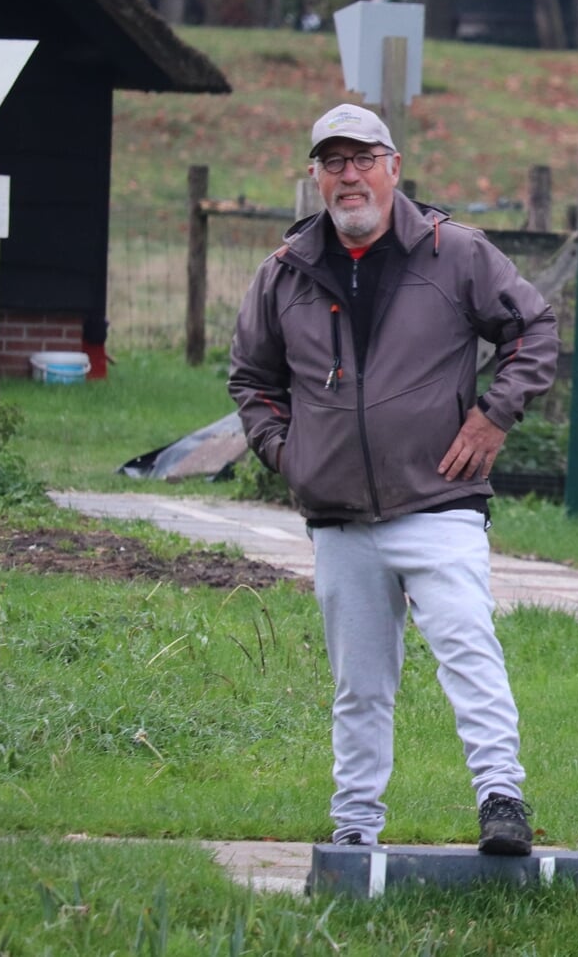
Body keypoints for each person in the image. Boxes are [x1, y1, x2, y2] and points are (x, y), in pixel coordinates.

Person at [229, 103, 559, 854]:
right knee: (359, 686)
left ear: (394, 166)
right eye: (333, 162)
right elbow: (252, 379)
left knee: (469, 649)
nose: (350, 176)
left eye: (363, 159)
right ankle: (354, 828)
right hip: (341, 516)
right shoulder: (283, 275)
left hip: (439, 501)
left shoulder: (456, 254)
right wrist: (288, 453)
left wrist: (492, 418)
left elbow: (533, 330)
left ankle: (502, 799)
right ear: (314, 177)